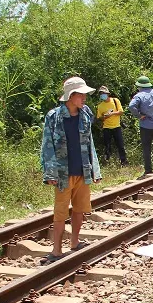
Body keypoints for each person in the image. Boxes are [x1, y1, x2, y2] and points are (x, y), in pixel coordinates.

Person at [40, 76, 102, 264]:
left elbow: (90, 143)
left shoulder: (86, 114)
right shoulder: (54, 116)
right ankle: (56, 250)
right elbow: (47, 145)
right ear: (71, 95)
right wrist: (50, 172)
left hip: (82, 170)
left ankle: (75, 242)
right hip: (62, 173)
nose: (84, 98)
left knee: (80, 209)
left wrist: (95, 170)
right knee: (60, 213)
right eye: (81, 95)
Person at [95, 85, 127, 165]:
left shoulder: (115, 101)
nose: (102, 95)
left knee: (120, 145)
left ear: (107, 94)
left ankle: (124, 161)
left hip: (117, 126)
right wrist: (105, 117)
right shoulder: (100, 106)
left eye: (103, 93)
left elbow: (121, 112)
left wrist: (112, 113)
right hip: (106, 128)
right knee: (107, 146)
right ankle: (108, 161)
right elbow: (99, 117)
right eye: (101, 94)